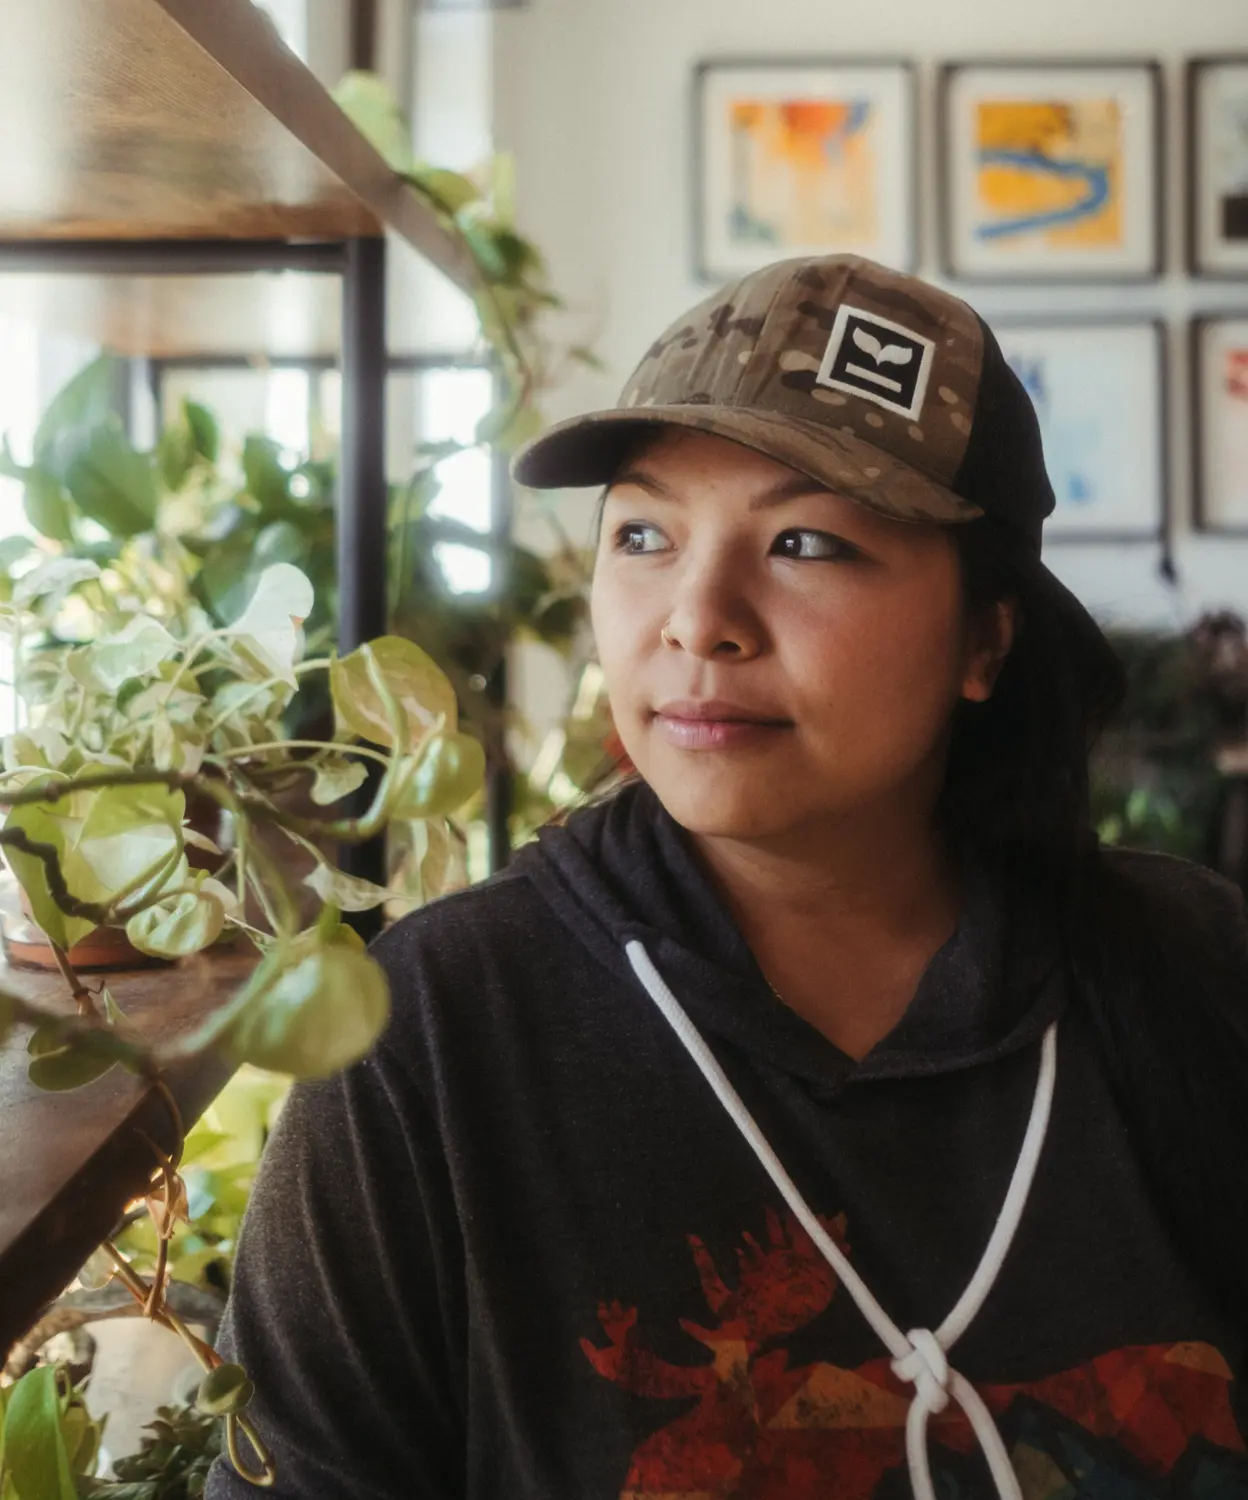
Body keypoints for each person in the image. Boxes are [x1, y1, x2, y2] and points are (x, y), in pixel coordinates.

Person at [206, 256, 1248, 1500]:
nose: (698, 619)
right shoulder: (431, 1041)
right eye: (643, 535)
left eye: (805, 543)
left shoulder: (1195, 963)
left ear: (986, 637)